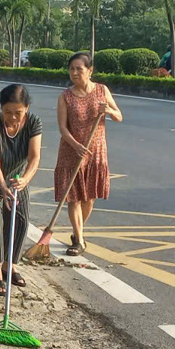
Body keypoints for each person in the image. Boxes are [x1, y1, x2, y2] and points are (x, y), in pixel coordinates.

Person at [0, 84, 42, 295]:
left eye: (18, 113)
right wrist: (2, 187)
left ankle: (9, 266)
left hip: (17, 176)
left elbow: (34, 157)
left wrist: (25, 180)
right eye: (8, 112)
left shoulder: (33, 123)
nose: (13, 118)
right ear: (1, 109)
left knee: (21, 218)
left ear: (27, 108)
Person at [54, 52, 123, 256]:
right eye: (71, 69)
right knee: (73, 197)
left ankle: (78, 232)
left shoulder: (102, 91)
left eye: (79, 69)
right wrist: (75, 145)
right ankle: (79, 241)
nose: (74, 73)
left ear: (90, 71)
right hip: (71, 150)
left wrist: (108, 111)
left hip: (96, 152)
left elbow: (119, 116)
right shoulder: (65, 96)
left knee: (89, 197)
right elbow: (62, 128)